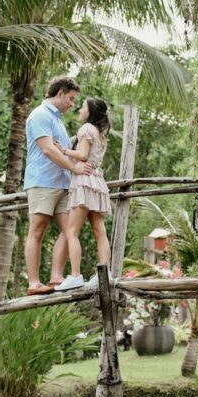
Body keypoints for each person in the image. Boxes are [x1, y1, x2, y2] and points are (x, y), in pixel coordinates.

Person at [23, 76, 95, 295]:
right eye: (71, 99)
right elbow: (47, 149)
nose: (73, 104)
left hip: (63, 184)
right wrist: (74, 169)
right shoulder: (39, 115)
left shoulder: (57, 121)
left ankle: (56, 278)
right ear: (60, 93)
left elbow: (64, 150)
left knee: (70, 230)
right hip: (42, 182)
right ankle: (34, 283)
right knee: (37, 229)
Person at [55, 97, 112, 291]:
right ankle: (105, 271)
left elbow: (83, 155)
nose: (79, 110)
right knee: (99, 229)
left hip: (83, 182)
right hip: (97, 181)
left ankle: (75, 275)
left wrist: (63, 150)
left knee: (72, 231)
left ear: (90, 112)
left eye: (82, 107)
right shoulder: (100, 134)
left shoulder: (86, 129)